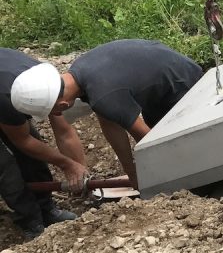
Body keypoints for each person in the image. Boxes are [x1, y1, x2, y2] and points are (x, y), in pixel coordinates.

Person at [11, 40, 203, 189]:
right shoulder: (80, 71)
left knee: (178, 148)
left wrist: (159, 176)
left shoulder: (104, 96)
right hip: (164, 78)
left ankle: (199, 183)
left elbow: (147, 139)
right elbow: (110, 123)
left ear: (63, 105)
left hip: (184, 87)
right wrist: (131, 172)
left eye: (53, 112)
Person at [1, 49, 85, 239]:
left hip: (5, 91)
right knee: (5, 167)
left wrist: (79, 168)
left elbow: (64, 132)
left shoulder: (44, 82)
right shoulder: (7, 98)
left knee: (34, 149)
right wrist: (66, 164)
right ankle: (30, 220)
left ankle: (46, 208)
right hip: (2, 97)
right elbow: (22, 141)